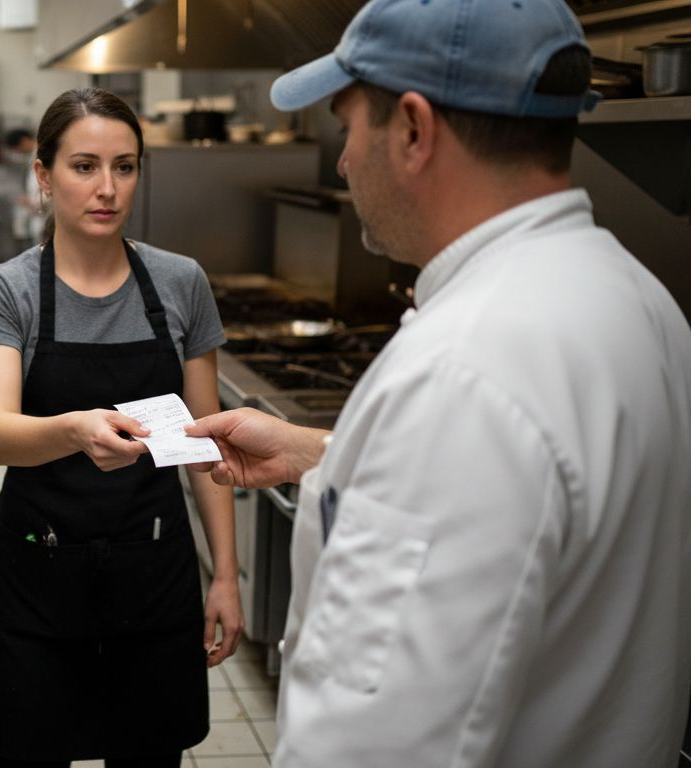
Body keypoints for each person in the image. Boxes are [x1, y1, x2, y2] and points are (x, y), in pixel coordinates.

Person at [183, 1, 691, 766]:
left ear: (415, 131)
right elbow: (540, 498)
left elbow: (373, 747)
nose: (344, 162)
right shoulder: (640, 300)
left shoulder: (464, 371)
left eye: (348, 127)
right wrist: (321, 453)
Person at [0, 88, 243, 767]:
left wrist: (226, 575)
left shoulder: (181, 283)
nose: (107, 189)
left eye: (125, 167)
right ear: (44, 174)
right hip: (36, 577)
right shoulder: (8, 290)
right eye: (84, 166)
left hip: (154, 575)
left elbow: (204, 446)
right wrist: (74, 431)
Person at [4, 127, 42, 246]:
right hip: (38, 215)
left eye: (17, 149)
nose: (18, 153)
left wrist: (31, 201)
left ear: (24, 141)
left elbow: (49, 191)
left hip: (45, 217)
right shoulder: (32, 158)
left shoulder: (43, 157)